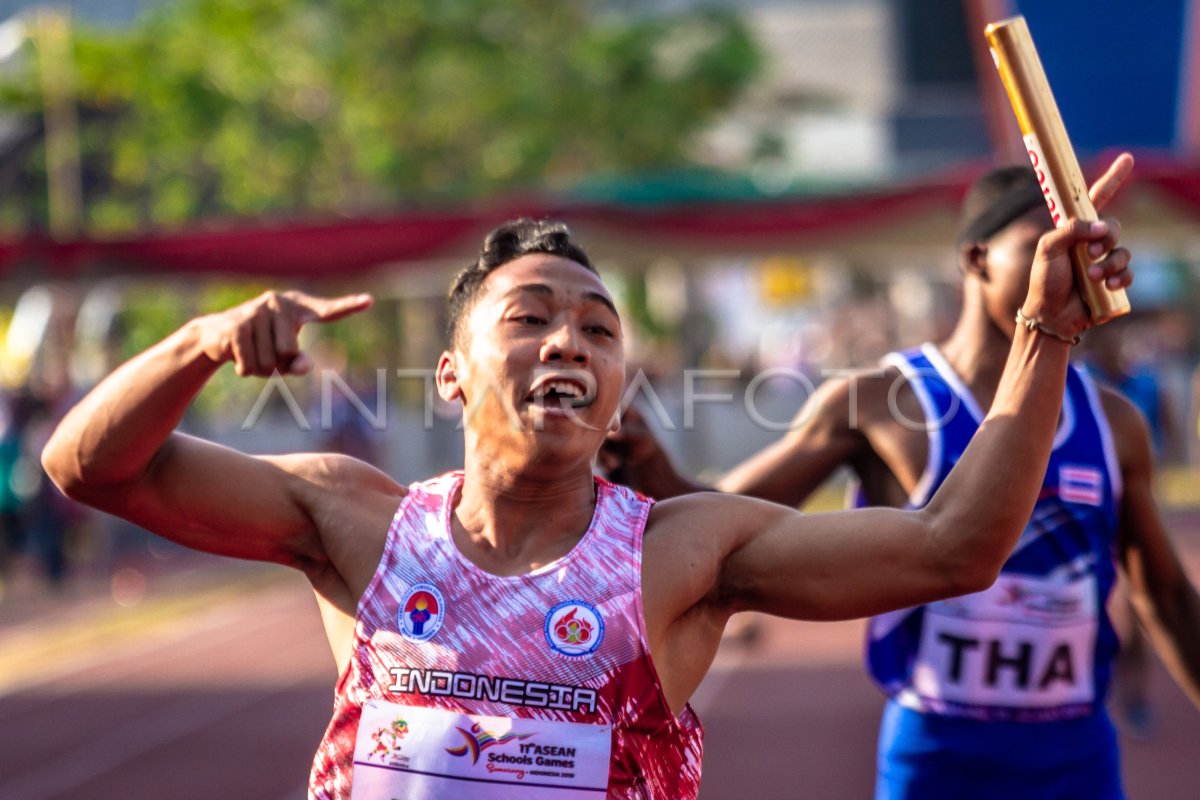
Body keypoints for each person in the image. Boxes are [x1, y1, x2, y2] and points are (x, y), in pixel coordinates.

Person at [42, 200, 1132, 799]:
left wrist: (1047, 334)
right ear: (452, 375)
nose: (569, 337)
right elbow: (93, 467)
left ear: (619, 404)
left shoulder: (686, 551)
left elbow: (955, 546)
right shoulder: (358, 523)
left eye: (600, 328)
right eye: (530, 317)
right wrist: (196, 342)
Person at [603, 156, 1200, 799]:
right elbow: (723, 518)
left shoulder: (1113, 421)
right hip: (939, 752)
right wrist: (654, 468)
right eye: (1037, 248)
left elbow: (1164, 594)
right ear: (976, 260)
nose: (1067, 268)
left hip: (1075, 753)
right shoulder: (885, 401)